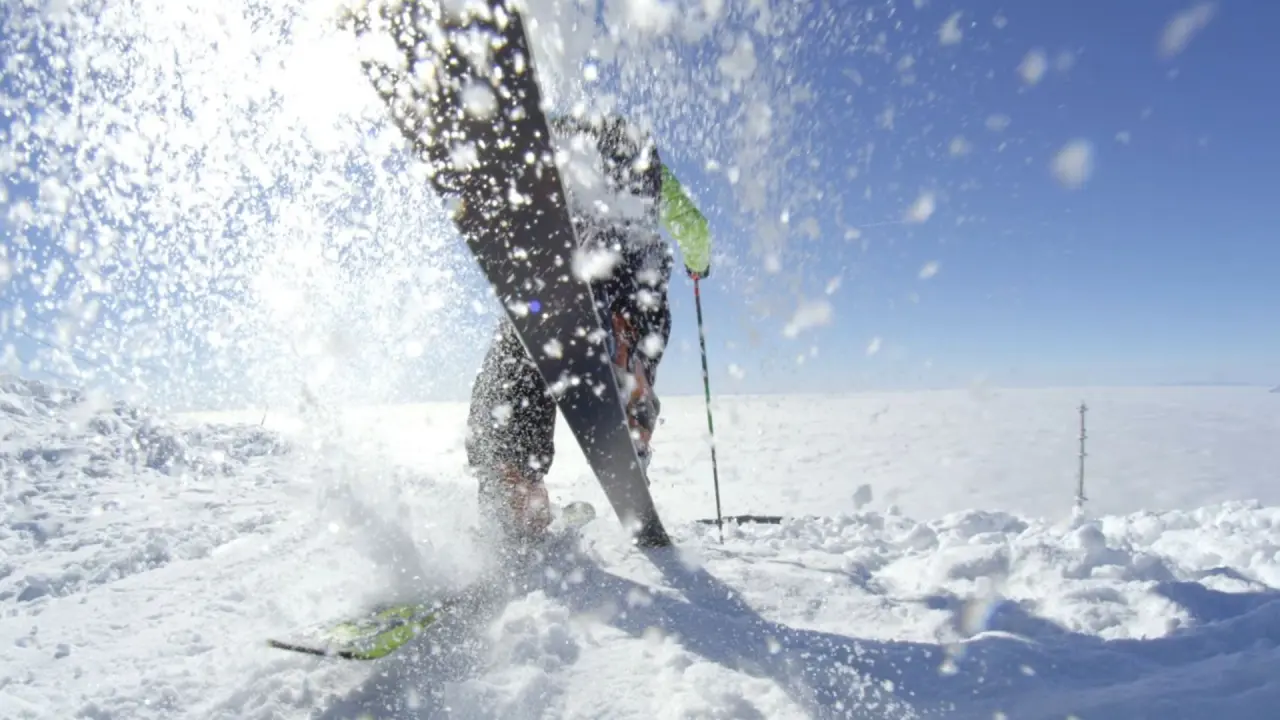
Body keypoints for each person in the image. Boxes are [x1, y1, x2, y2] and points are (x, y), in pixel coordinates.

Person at [465, 112, 711, 545]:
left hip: (564, 270)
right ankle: (632, 421)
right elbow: (694, 227)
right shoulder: (649, 171)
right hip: (636, 283)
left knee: (521, 359)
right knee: (633, 349)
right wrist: (698, 263)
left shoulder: (564, 149)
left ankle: (513, 482)